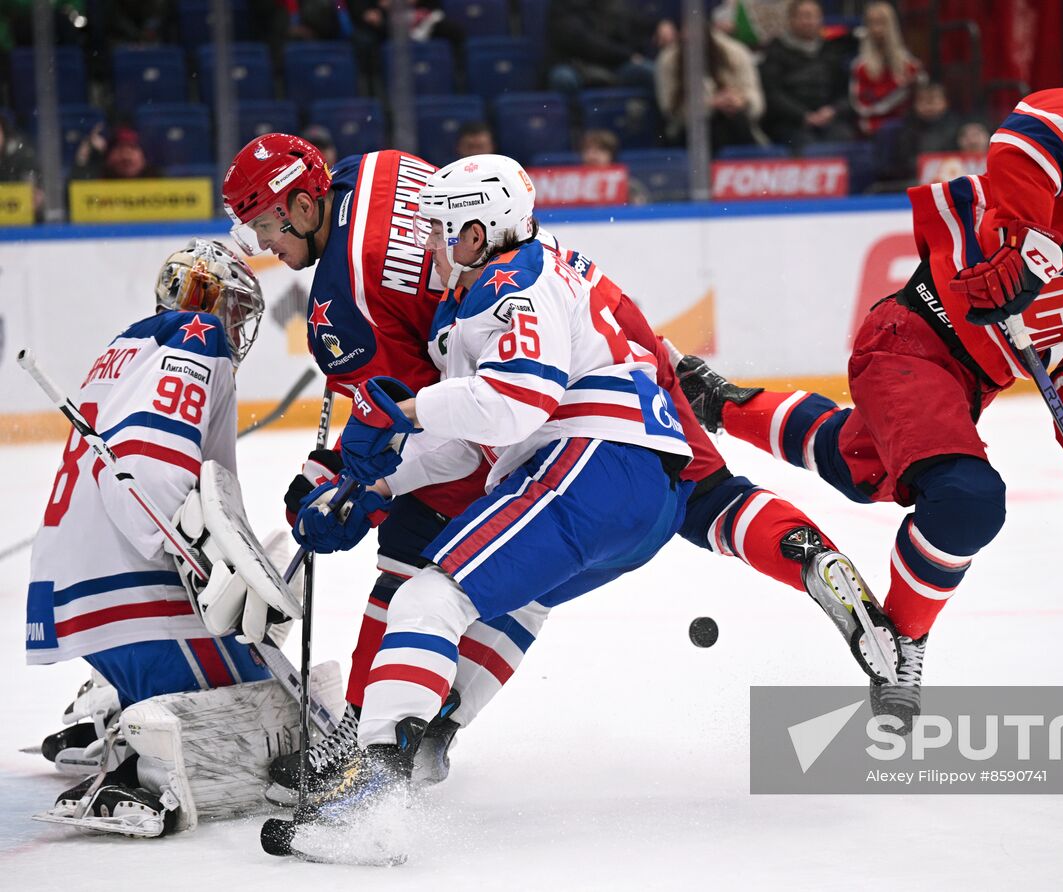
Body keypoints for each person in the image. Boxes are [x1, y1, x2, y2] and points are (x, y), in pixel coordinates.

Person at [679, 89, 1063, 727]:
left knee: (863, 467)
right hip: (914, 333)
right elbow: (1035, 129)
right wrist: (1028, 245)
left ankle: (718, 402)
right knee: (966, 500)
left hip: (968, 383)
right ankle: (900, 644)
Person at [291, 153, 694, 825]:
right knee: (517, 601)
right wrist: (374, 488)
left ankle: (373, 788)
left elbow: (518, 402)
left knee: (427, 595)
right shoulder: (502, 286)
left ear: (477, 233)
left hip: (595, 462)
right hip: (646, 497)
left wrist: (407, 411)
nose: (430, 245)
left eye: (441, 229)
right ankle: (433, 736)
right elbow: (463, 445)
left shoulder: (516, 279)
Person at [222, 133, 491, 803]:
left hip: (498, 408)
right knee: (481, 576)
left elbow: (407, 420)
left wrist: (348, 496)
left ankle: (362, 742)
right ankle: (424, 725)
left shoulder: (343, 306)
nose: (267, 251)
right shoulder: (378, 167)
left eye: (266, 227)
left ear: (306, 206)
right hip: (526, 339)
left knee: (409, 547)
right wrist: (338, 462)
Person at [24, 239, 308, 837]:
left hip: (86, 584)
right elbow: (148, 468)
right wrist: (204, 560)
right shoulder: (195, 337)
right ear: (200, 296)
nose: (236, 323)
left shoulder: (132, 345)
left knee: (257, 660)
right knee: (283, 714)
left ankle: (107, 710)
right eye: (230, 304)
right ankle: (134, 764)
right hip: (136, 595)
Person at [656, 24, 766, 149]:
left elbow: (756, 101)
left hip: (735, 121)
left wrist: (741, 100)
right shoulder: (669, 60)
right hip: (688, 129)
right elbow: (669, 109)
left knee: (734, 121)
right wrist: (709, 105)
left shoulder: (735, 52)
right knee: (711, 126)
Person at [760, 0, 853, 147]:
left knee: (843, 138)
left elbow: (846, 92)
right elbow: (773, 94)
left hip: (829, 119)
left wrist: (833, 110)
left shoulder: (832, 50)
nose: (808, 22)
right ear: (791, 20)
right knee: (806, 145)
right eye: (803, 16)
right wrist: (803, 115)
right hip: (791, 122)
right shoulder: (775, 51)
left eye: (813, 16)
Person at [546, 0, 666, 95]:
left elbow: (634, 21)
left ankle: (673, 122)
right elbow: (583, 41)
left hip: (612, 66)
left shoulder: (611, 3)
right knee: (563, 78)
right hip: (575, 66)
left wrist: (659, 25)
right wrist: (627, 56)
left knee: (652, 71)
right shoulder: (563, 5)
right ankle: (575, 125)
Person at [848, 1, 924, 138]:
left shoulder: (908, 63)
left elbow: (922, 86)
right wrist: (898, 87)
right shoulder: (860, 66)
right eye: (872, 23)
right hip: (874, 127)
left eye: (882, 22)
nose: (877, 29)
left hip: (906, 124)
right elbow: (862, 106)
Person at [72, 123, 159, 180]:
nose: (126, 156)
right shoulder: (95, 180)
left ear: (143, 156)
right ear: (108, 156)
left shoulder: (159, 180)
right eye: (120, 149)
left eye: (132, 148)